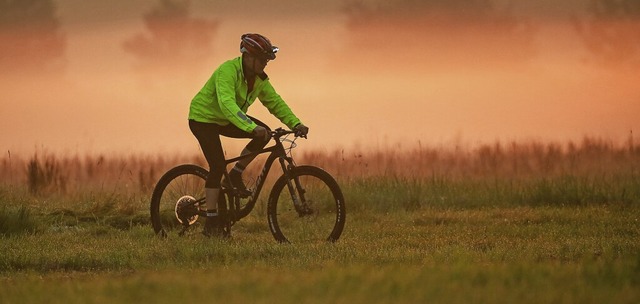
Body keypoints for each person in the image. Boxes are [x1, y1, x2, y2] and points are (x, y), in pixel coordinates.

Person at [188, 33, 309, 236]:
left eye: (267, 60)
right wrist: (250, 127)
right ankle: (210, 221)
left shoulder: (259, 79)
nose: (265, 64)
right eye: (262, 60)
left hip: (226, 119)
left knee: (265, 135)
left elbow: (275, 102)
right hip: (203, 119)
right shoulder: (227, 71)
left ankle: (234, 175)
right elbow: (227, 104)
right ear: (248, 57)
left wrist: (296, 123)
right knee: (217, 166)